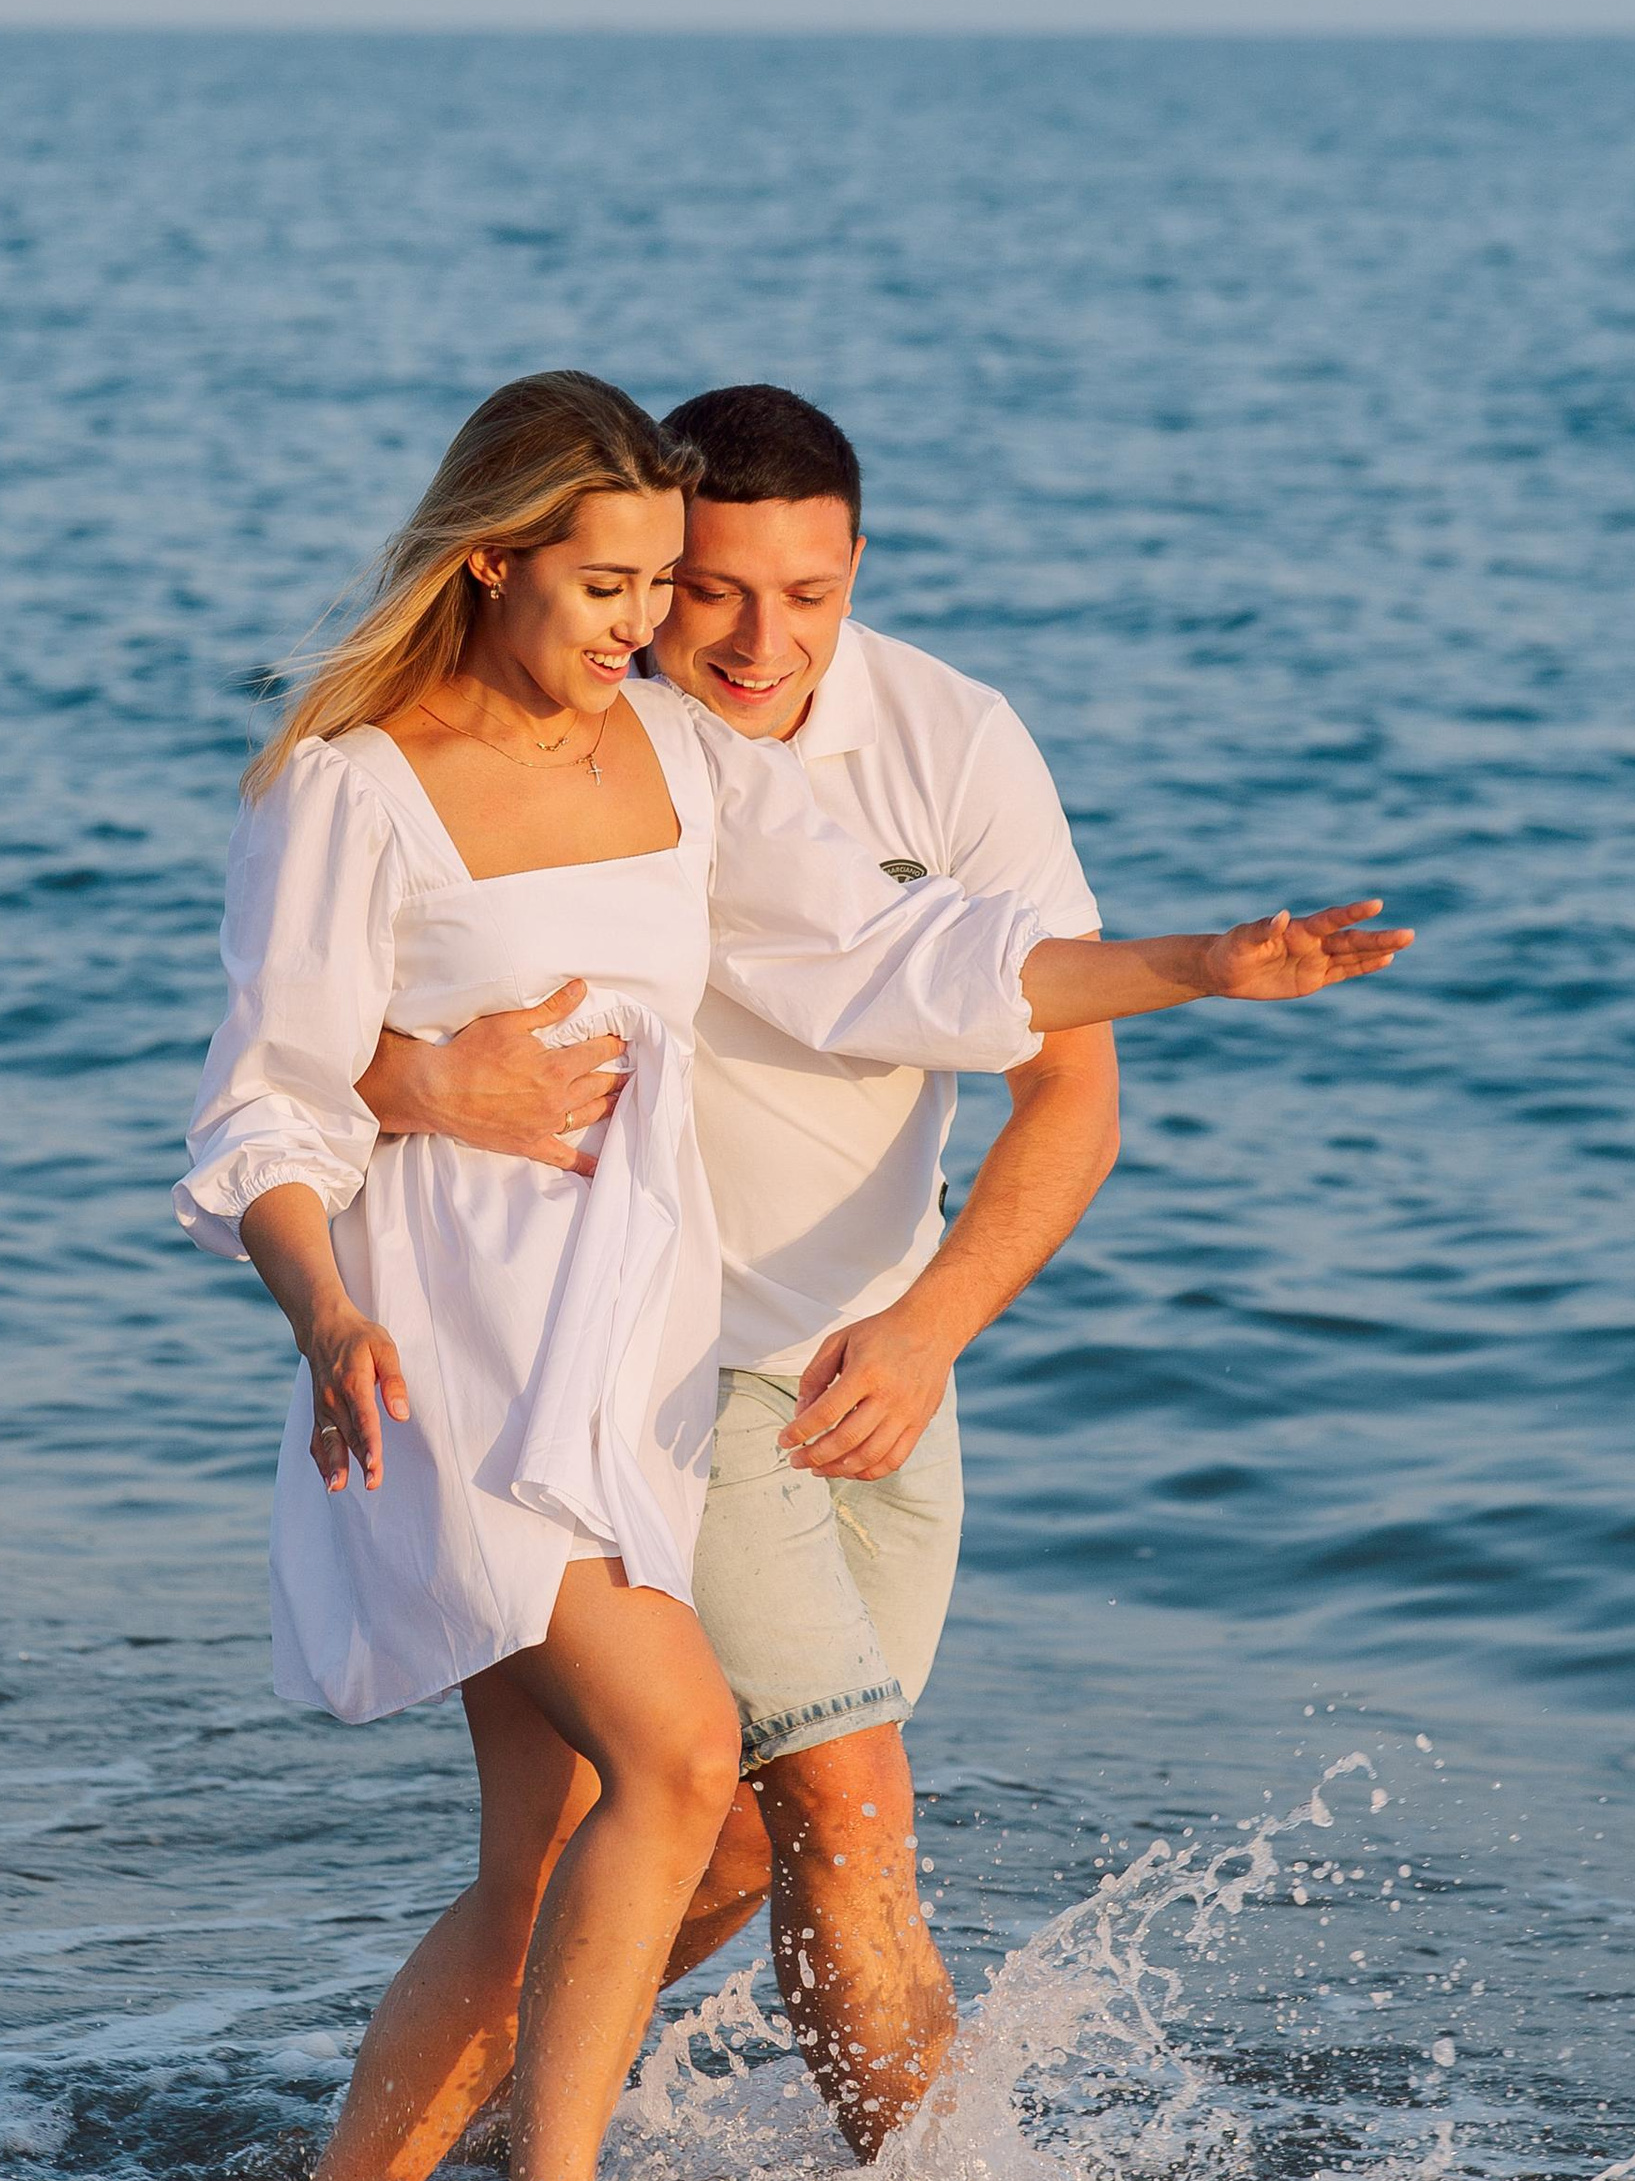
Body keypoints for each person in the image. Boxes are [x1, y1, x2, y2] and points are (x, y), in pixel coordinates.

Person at [175, 370, 1406, 2181]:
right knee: (697, 1766)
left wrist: (1199, 963)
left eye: (655, 590)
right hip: (452, 1360)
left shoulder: (679, 759)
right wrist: (334, 1294)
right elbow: (262, 1100)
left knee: (565, 1849)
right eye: (626, 589)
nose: (657, 631)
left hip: (632, 1371)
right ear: (495, 562)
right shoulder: (350, 788)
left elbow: (894, 952)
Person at [354, 385, 1117, 2160]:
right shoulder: (562, 729)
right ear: (642, 572)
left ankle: (417, 2147)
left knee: (726, 1852)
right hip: (635, 1376)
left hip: (877, 1363)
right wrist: (417, 1079)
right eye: (708, 592)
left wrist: (931, 1330)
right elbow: (303, 1033)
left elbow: (1058, 1074)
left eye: (815, 595)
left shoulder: (951, 735)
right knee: (847, 1814)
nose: (759, 642)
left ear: (859, 573)